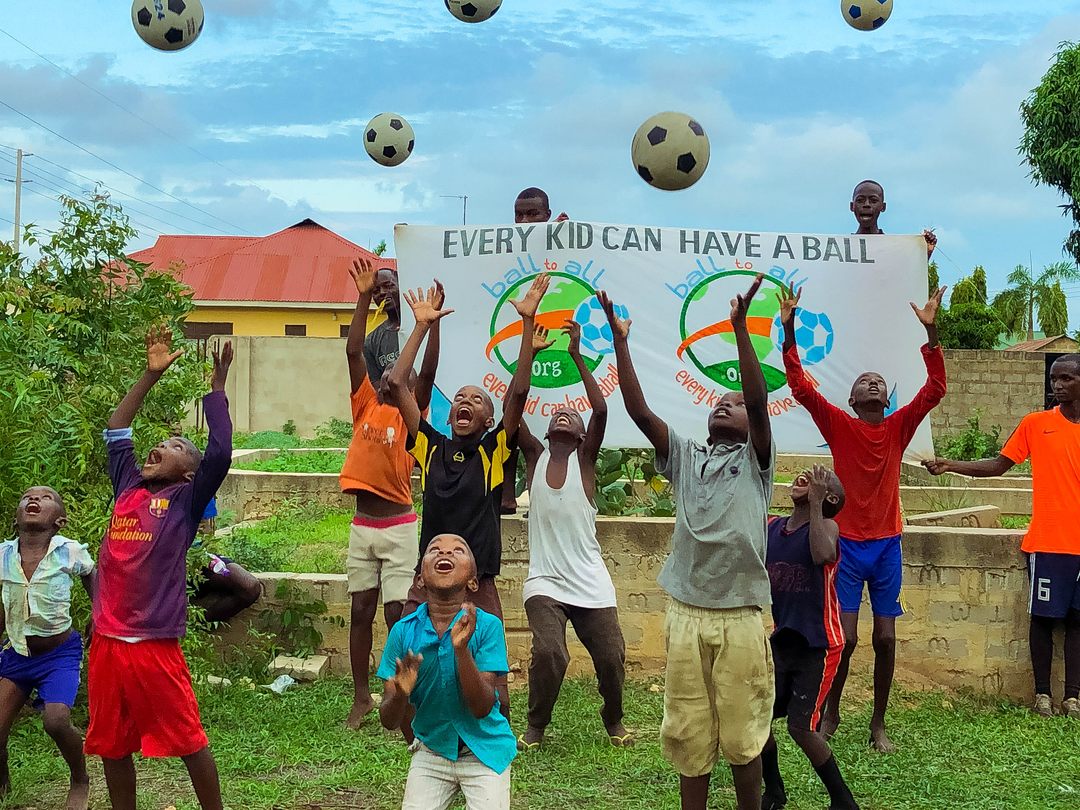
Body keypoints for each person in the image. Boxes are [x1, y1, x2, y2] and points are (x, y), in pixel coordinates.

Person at [601, 276, 776, 810]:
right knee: (688, 734)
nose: (725, 406)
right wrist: (621, 343)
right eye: (718, 403)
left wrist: (741, 330)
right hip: (686, 614)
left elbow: (759, 401)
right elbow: (639, 413)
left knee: (743, 737)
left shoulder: (756, 461)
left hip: (740, 615)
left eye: (734, 405)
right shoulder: (685, 457)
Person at [779, 283, 947, 752]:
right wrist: (789, 329)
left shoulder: (898, 426)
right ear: (852, 401)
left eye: (878, 382)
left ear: (887, 400)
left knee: (886, 639)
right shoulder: (839, 425)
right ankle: (831, 710)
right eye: (863, 382)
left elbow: (935, 389)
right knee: (847, 638)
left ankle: (878, 723)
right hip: (847, 547)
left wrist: (931, 333)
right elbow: (800, 387)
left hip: (887, 545)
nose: (872, 383)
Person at [387, 274, 549, 716]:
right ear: (449, 413)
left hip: (478, 582)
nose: (465, 401)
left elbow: (518, 392)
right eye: (460, 397)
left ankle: (495, 736)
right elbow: (398, 385)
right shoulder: (430, 445)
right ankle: (421, 736)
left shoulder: (494, 451)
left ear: (488, 419)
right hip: (429, 577)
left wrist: (527, 323)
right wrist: (422, 326)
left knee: (491, 677)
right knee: (409, 663)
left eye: (477, 400)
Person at [84, 328, 233, 810]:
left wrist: (217, 390)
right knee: (110, 742)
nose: (160, 447)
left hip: (153, 642)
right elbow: (117, 427)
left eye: (174, 446)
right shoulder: (128, 486)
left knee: (188, 738)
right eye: (161, 441)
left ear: (189, 472)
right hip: (107, 641)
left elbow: (220, 453)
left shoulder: (185, 502)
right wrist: (150, 375)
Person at [924, 353, 1080, 719]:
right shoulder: (1036, 424)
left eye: (1066, 379)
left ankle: (1073, 698)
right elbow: (998, 465)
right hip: (1049, 542)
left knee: (1077, 621)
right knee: (1043, 618)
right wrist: (951, 465)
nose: (1057, 385)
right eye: (1054, 379)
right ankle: (1042, 695)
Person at [514, 319, 632, 751]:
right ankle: (536, 725)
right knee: (550, 653)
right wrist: (530, 350)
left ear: (583, 436)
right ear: (546, 433)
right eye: (556, 415)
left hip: (590, 580)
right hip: (545, 580)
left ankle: (613, 718)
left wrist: (577, 355)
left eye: (571, 416)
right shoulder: (535, 457)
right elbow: (513, 406)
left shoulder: (585, 462)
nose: (562, 413)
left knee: (611, 656)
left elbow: (600, 410)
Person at [340, 257, 441, 728]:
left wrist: (426, 327)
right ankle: (362, 696)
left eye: (399, 379)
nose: (389, 377)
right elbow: (353, 351)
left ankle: (398, 692)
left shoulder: (410, 418)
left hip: (399, 526)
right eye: (386, 374)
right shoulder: (364, 404)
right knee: (360, 609)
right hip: (363, 527)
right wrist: (363, 297)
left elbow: (421, 374)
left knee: (398, 614)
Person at [378, 534, 515, 810]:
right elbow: (389, 720)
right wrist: (401, 693)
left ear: (473, 582)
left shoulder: (487, 626)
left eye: (458, 550)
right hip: (433, 751)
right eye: (434, 549)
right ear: (419, 580)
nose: (445, 553)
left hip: (484, 751)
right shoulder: (403, 632)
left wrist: (462, 651)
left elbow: (482, 707)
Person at [762, 466, 859, 810]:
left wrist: (816, 505)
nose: (808, 475)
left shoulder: (827, 527)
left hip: (818, 644)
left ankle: (843, 800)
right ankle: (774, 791)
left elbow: (823, 554)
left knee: (801, 728)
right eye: (807, 474)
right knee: (757, 719)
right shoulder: (773, 528)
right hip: (783, 640)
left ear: (828, 497)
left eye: (820, 477)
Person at [0, 487, 93, 809]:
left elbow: (92, 574)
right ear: (16, 519)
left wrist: (99, 611)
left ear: (60, 521)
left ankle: (80, 779)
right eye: (27, 497)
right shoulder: (3, 555)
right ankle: (2, 784)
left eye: (46, 498)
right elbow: (4, 604)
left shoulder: (69, 551)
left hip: (59, 655)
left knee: (55, 720)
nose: (34, 500)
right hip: (17, 654)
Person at [500, 187, 568, 515]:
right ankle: (505, 497)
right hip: (509, 344)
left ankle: (544, 497)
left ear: (547, 215)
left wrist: (567, 237)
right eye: (519, 214)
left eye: (533, 214)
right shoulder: (499, 249)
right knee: (506, 419)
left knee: (547, 430)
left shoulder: (564, 240)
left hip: (554, 348)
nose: (525, 221)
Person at [850, 179, 937, 260]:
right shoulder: (843, 251)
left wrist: (925, 252)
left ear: (883, 207)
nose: (866, 205)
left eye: (873, 201)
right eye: (860, 200)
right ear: (852, 206)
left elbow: (908, 269)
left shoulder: (894, 248)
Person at [365, 264, 403, 381]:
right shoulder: (371, 341)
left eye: (388, 286)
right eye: (375, 291)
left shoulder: (421, 326)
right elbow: (376, 384)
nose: (382, 292)